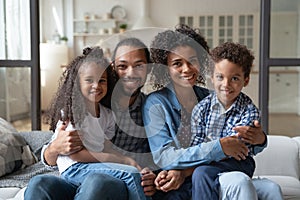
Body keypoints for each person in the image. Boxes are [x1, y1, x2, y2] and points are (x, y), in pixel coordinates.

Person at [143, 24, 283, 200]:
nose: (187, 69)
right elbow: (164, 157)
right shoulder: (156, 103)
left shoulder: (212, 98)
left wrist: (260, 139)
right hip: (182, 185)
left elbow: (242, 144)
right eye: (177, 63)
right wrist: (219, 147)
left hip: (213, 175)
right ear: (165, 68)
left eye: (192, 61)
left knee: (270, 189)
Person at [24, 38, 156, 200]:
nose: (130, 73)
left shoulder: (152, 109)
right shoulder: (86, 105)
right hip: (76, 173)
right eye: (123, 66)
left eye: (139, 66)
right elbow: (52, 155)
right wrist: (55, 148)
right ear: (113, 69)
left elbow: (162, 153)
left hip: (111, 180)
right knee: (39, 183)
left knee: (96, 182)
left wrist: (151, 173)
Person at [190, 41, 263, 199]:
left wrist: (211, 149)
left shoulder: (249, 110)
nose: (226, 84)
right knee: (199, 172)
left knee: (201, 172)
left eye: (235, 78)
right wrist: (216, 148)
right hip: (209, 161)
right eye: (220, 77)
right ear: (212, 78)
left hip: (240, 163)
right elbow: (196, 143)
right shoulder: (201, 109)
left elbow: (237, 147)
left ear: (246, 80)